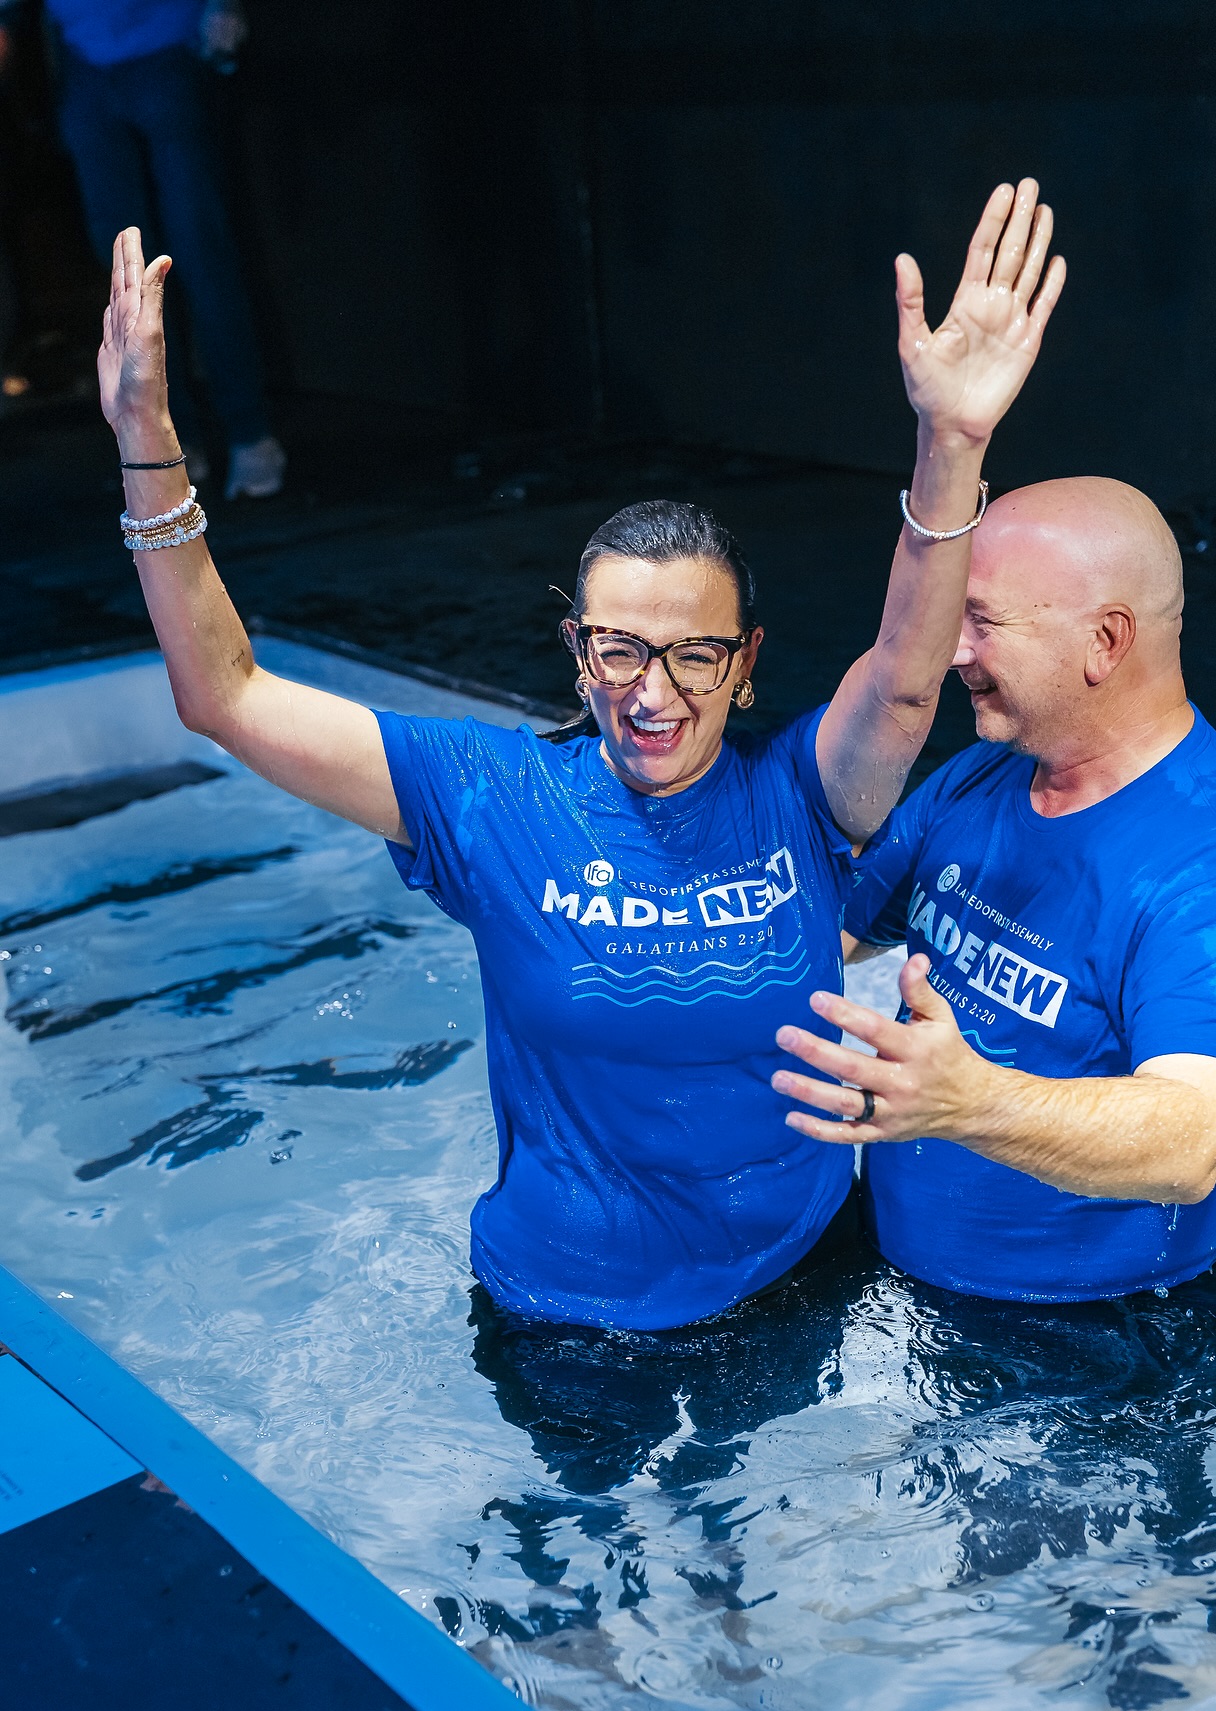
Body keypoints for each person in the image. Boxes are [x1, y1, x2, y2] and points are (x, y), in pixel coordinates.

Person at [97, 180, 1066, 1329]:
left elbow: (908, 678)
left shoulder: (803, 794)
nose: (651, 695)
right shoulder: (488, 797)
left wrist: (950, 441)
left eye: (694, 657)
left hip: (807, 1276)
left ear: (747, 663)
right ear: (576, 651)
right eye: (618, 651)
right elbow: (224, 695)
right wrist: (148, 440)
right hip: (571, 1320)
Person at [771, 477, 1216, 1302]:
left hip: (1101, 1344)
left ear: (1106, 640)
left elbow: (1192, 1140)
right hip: (901, 1275)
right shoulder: (989, 772)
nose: (953, 650)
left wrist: (966, 1099)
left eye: (982, 620)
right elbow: (830, 927)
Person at [51, 0, 284, 496]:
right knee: (127, 276)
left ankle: (249, 433)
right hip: (85, 58)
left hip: (167, 47)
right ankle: (170, 444)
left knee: (200, 256)